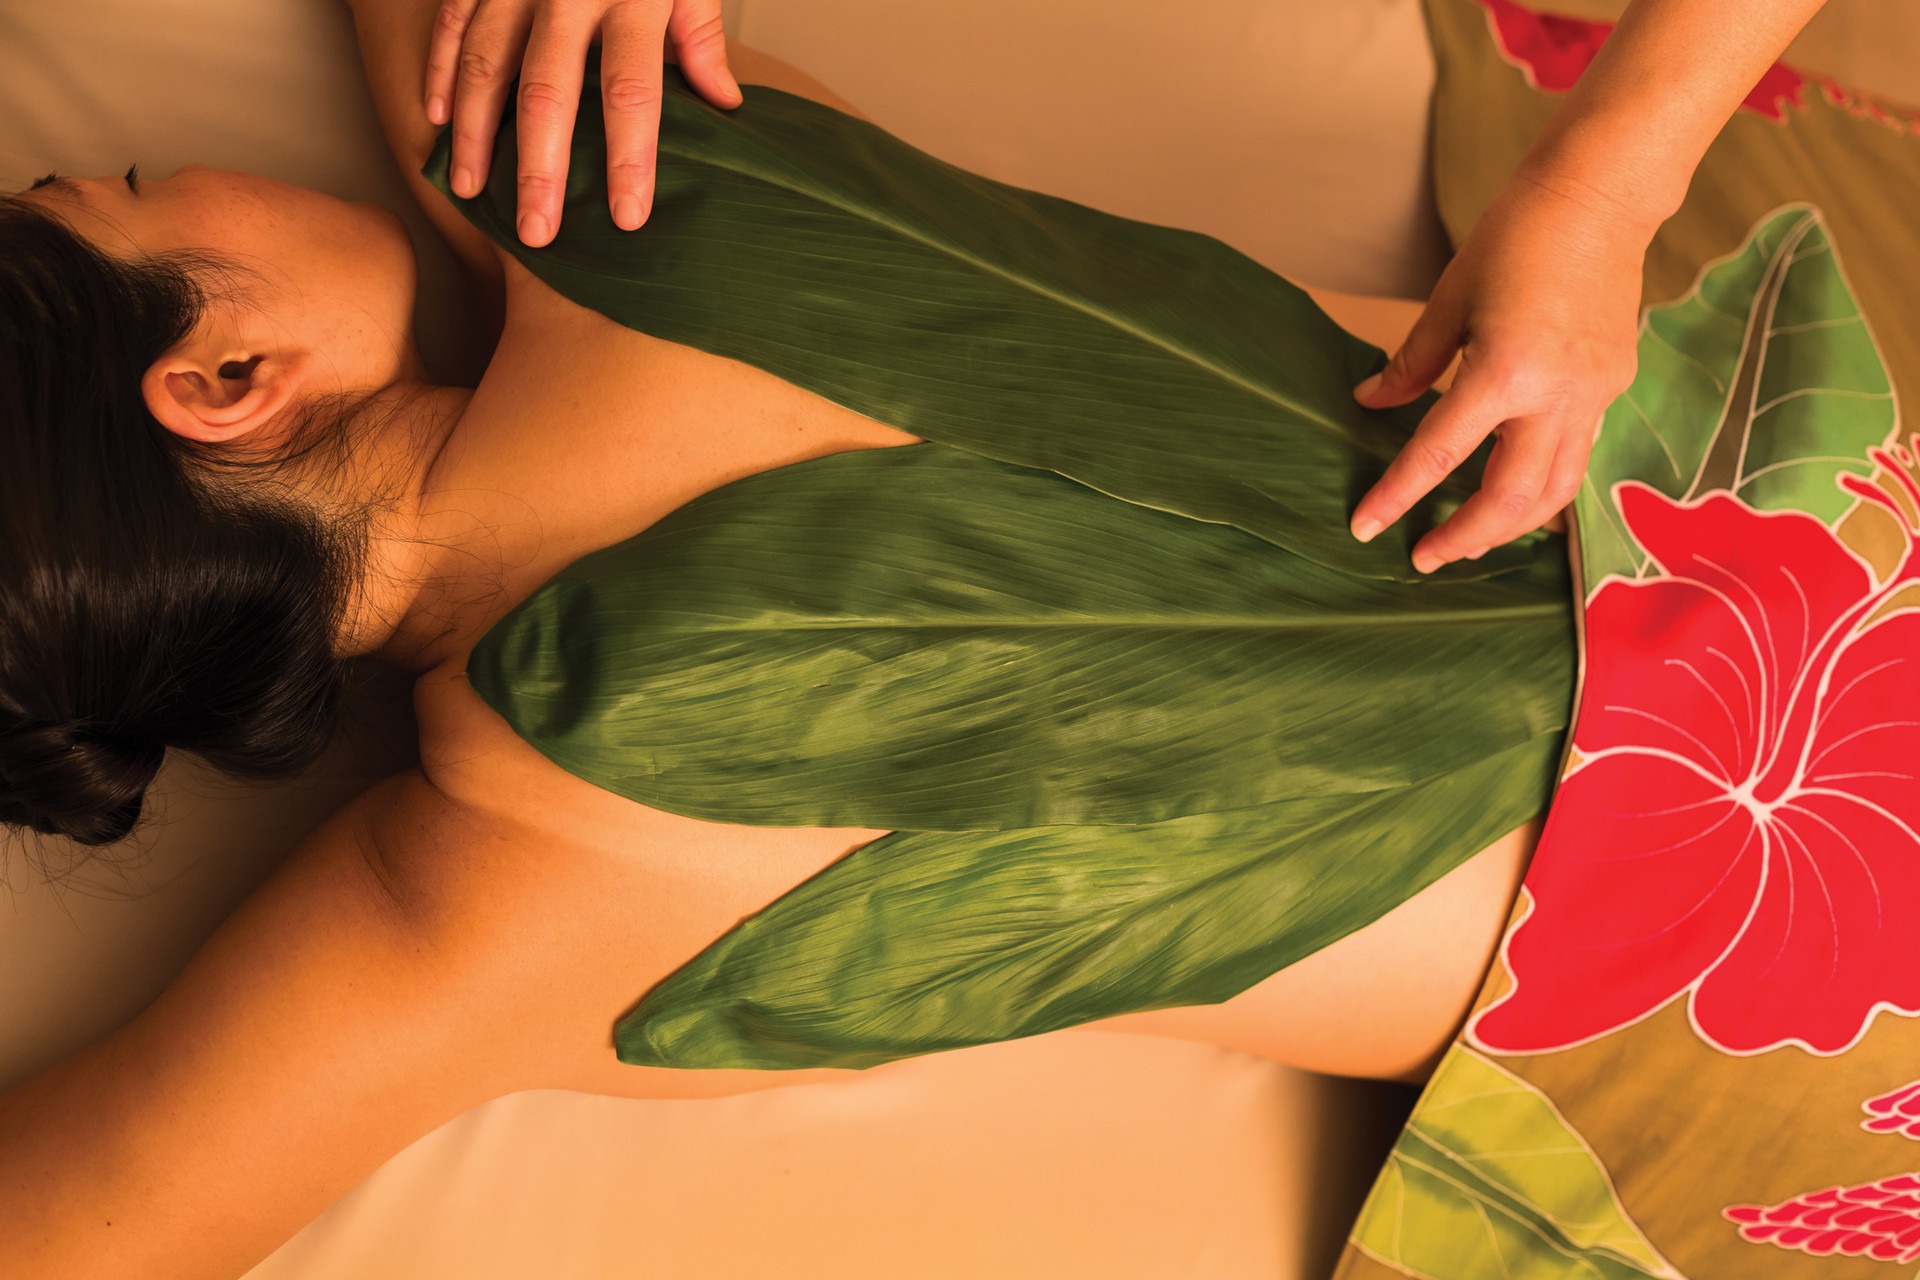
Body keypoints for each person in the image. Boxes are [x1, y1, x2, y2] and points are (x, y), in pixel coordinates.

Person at [0, 2, 1827, 1277]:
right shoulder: (624, 188)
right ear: (225, 380)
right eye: (142, 182)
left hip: (1787, 1021)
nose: (195, 163)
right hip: (1794, 506)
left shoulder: (476, 903)